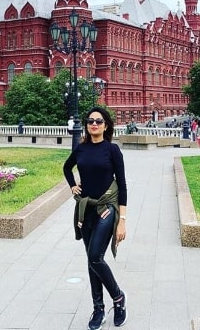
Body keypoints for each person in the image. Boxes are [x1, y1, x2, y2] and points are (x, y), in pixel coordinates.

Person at [63, 106, 128, 329]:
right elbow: (66, 168)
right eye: (90, 121)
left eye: (98, 121)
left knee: (95, 257)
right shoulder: (81, 149)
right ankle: (98, 309)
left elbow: (122, 184)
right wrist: (73, 186)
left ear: (106, 125)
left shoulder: (112, 150)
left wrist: (122, 220)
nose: (94, 124)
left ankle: (118, 298)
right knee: (92, 260)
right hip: (86, 209)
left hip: (107, 209)